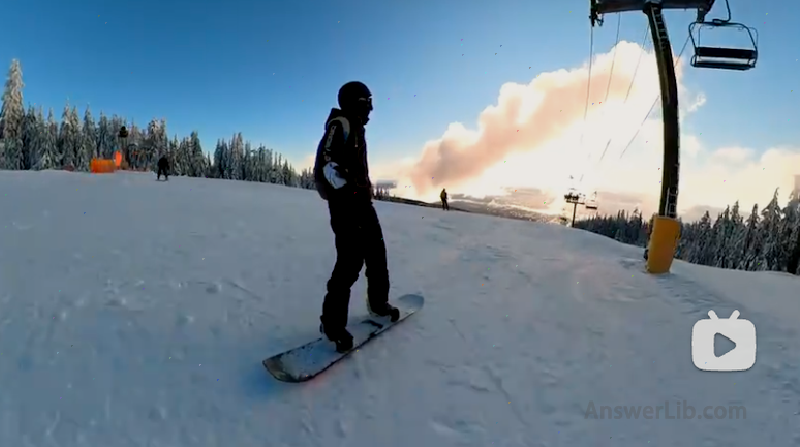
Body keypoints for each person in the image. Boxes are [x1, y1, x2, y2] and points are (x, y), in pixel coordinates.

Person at [313, 81, 400, 352]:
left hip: (363, 205)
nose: (371, 109)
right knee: (350, 262)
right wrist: (348, 189)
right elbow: (326, 163)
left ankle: (378, 303)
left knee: (376, 253)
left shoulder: (357, 129)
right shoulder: (340, 124)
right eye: (367, 103)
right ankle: (332, 324)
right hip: (345, 207)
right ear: (354, 102)